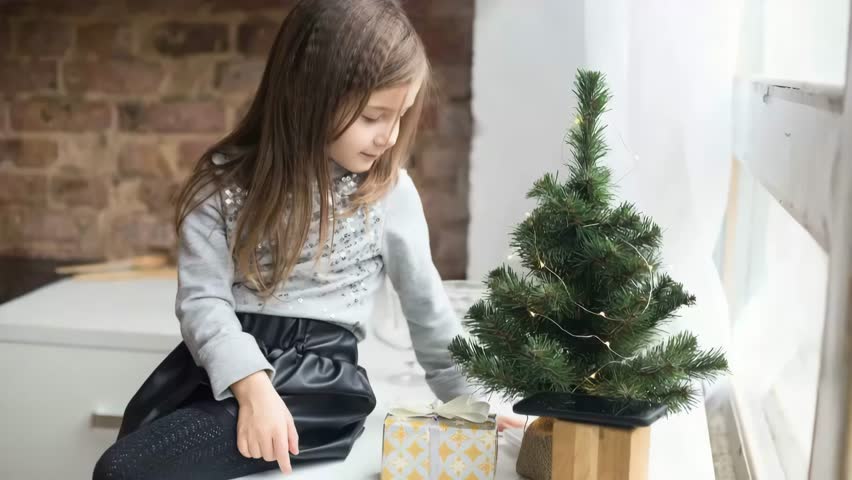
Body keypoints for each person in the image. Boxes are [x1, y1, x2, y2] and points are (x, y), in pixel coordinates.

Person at [92, 1, 523, 478]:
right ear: (308, 95)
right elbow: (201, 301)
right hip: (226, 368)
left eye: (399, 117)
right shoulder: (221, 182)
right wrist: (253, 389)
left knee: (122, 469)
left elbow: (430, 313)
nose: (387, 137)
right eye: (373, 116)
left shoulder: (390, 194)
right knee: (132, 440)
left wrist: (471, 406)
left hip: (317, 384)